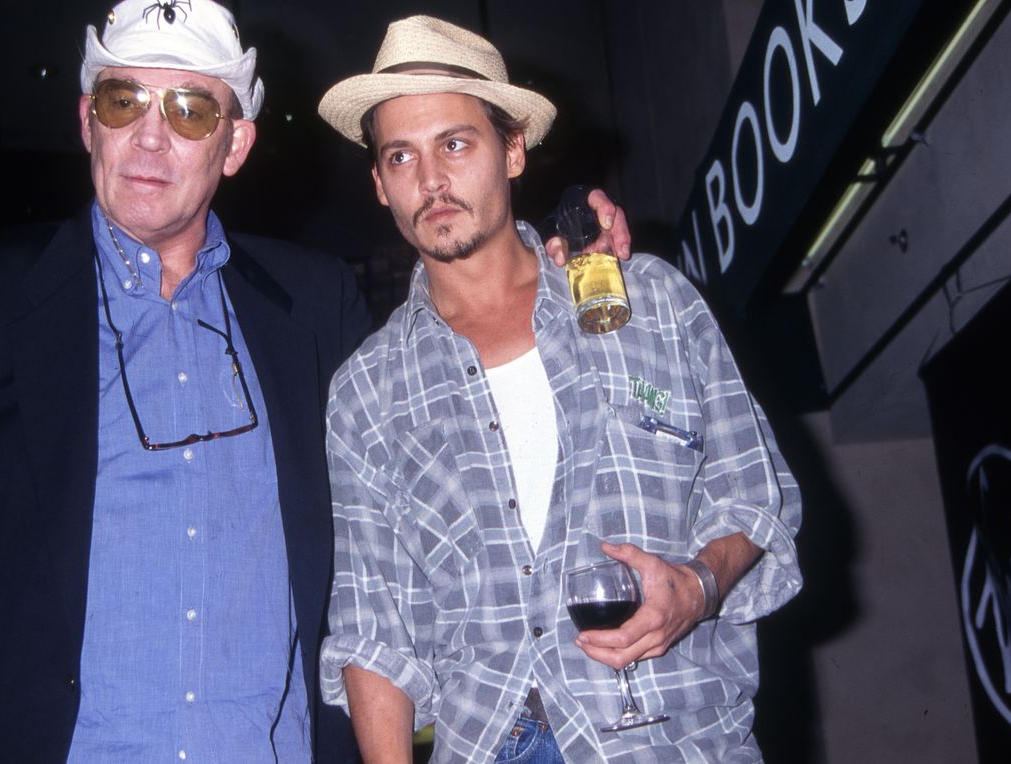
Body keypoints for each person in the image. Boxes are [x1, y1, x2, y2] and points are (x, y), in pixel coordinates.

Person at [0, 3, 625, 762]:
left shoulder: (314, 304)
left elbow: (431, 444)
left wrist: (561, 251)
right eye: (123, 101)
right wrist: (8, 620)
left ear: (235, 144)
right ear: (86, 121)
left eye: (191, 110)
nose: (150, 136)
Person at [316, 15, 803, 763]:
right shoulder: (366, 393)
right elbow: (371, 629)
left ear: (512, 150)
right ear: (379, 184)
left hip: (671, 741)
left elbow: (755, 495)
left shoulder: (649, 303)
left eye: (455, 144)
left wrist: (698, 588)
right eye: (401, 156)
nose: (431, 180)